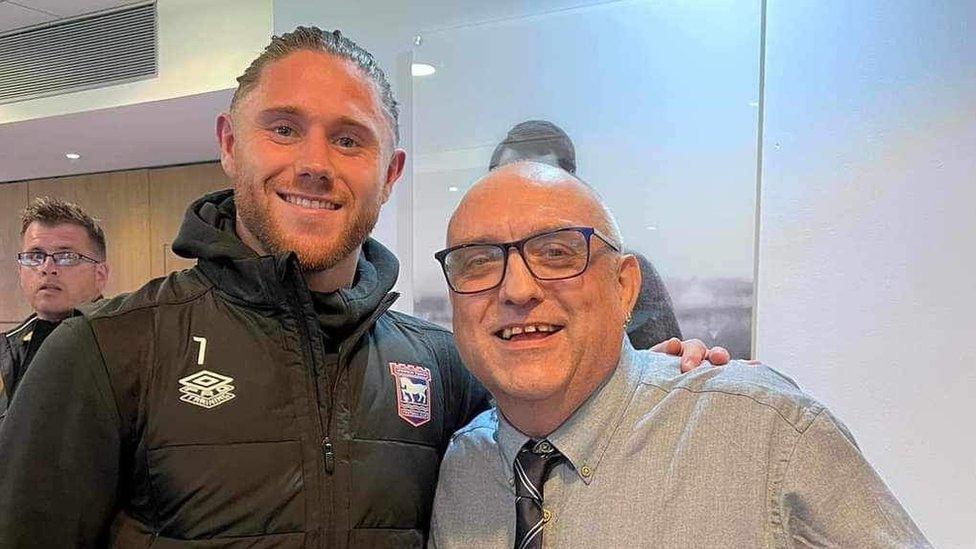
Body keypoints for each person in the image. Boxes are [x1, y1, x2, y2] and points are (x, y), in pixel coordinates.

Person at [0, 27, 723, 547]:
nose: (314, 163)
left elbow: (562, 401)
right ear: (229, 143)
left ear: (391, 172)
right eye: (284, 129)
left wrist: (663, 372)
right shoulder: (102, 351)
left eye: (349, 140)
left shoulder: (443, 367)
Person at [429, 162, 930, 548]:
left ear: (625, 287)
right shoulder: (460, 467)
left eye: (557, 253)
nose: (517, 289)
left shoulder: (766, 434)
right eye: (477, 263)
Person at [489, 119, 683, 351]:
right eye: (507, 182)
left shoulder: (614, 268)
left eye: (538, 179)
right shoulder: (480, 275)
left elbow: (663, 364)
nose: (519, 292)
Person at [0, 197, 108, 420]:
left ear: (100, 274)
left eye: (67, 257)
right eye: (35, 256)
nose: (47, 268)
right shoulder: (6, 352)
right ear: (20, 272)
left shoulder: (134, 347)